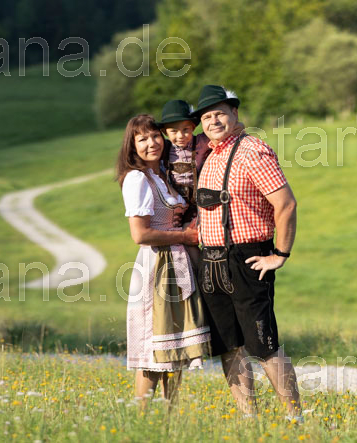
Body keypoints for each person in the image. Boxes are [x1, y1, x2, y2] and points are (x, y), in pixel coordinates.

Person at [191, 85, 301, 418]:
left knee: (264, 345)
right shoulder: (210, 155)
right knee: (229, 347)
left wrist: (280, 254)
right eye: (206, 117)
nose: (213, 121)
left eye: (219, 113)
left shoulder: (253, 150)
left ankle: (295, 418)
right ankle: (248, 420)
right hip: (211, 261)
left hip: (247, 259)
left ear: (235, 113)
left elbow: (286, 204)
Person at [156, 100, 257, 404]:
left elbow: (230, 132)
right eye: (173, 131)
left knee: (225, 324)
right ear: (165, 132)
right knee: (173, 316)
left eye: (186, 129)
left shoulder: (203, 144)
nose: (180, 136)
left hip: (205, 227)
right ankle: (169, 401)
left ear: (194, 127)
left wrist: (236, 124)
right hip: (177, 229)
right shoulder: (161, 153)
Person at [116, 114, 212, 407]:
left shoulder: (162, 176)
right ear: (132, 146)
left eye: (155, 136)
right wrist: (185, 236)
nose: (152, 143)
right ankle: (141, 417)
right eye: (142, 139)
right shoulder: (137, 179)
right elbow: (140, 234)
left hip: (176, 265)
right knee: (152, 346)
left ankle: (170, 420)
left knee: (175, 343)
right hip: (155, 266)